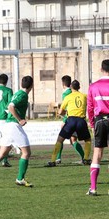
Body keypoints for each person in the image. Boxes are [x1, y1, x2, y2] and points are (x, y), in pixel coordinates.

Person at [0, 76, 34, 189]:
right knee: (26, 153)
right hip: (14, 125)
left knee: (2, 153)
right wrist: (20, 119)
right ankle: (20, 179)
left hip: (8, 125)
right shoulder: (22, 95)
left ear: (21, 84)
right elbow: (10, 106)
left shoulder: (18, 93)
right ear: (31, 85)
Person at [46, 80, 91, 167]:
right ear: (79, 87)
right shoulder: (85, 96)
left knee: (60, 140)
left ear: (71, 87)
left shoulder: (68, 97)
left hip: (70, 120)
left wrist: (66, 114)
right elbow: (90, 105)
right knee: (88, 140)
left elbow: (60, 111)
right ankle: (85, 159)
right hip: (81, 120)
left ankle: (53, 160)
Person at [86, 59, 109, 196]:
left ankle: (93, 188)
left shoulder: (93, 86)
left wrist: (92, 123)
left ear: (101, 69)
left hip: (100, 120)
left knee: (97, 154)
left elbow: (90, 107)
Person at [55, 75, 84, 164]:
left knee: (60, 139)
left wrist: (64, 120)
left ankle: (58, 158)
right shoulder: (74, 92)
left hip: (69, 120)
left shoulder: (65, 94)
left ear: (63, 84)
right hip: (78, 118)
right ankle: (84, 157)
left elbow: (67, 109)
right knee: (73, 140)